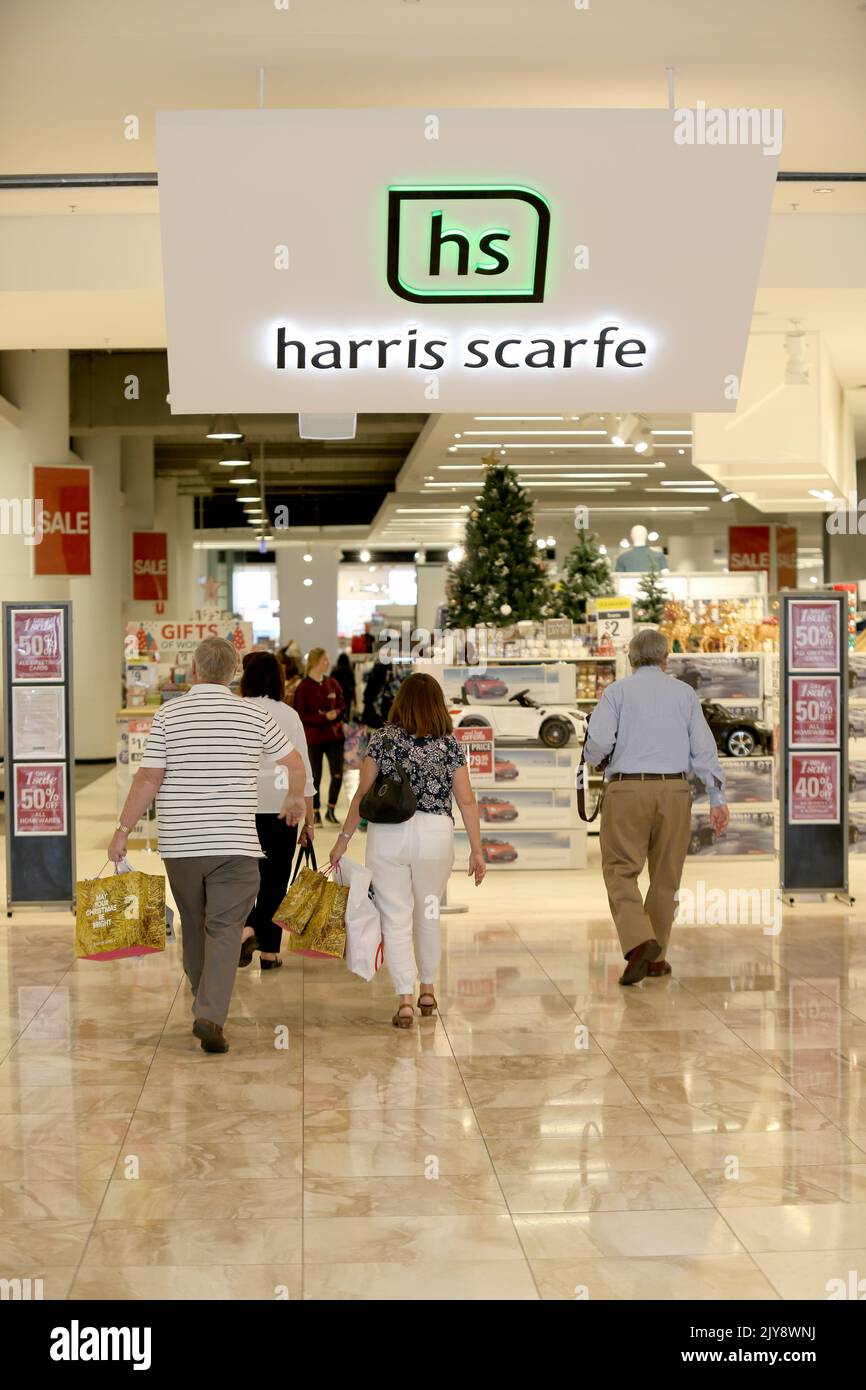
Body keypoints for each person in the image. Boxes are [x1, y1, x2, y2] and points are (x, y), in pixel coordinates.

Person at [107, 637, 306, 1054]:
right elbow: (293, 762)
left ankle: (203, 1000)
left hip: (181, 844)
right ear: (233, 672)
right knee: (225, 928)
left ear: (194, 671)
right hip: (234, 841)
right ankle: (209, 1015)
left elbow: (148, 779)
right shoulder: (252, 715)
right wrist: (292, 797)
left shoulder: (169, 714)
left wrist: (123, 830)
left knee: (194, 923)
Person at [330, 671, 486, 1028]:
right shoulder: (448, 744)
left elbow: (362, 795)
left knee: (395, 916)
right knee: (429, 911)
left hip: (389, 835)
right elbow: (466, 801)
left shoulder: (383, 739)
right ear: (437, 705)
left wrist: (343, 839)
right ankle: (428, 989)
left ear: (400, 702)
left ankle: (404, 998)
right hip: (435, 834)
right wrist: (476, 850)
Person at [584, 628, 729, 986]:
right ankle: (656, 957)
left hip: (627, 791)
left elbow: (598, 741)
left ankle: (639, 941)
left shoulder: (616, 692)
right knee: (666, 876)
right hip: (675, 790)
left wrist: (593, 758)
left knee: (620, 870)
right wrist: (716, 798)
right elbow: (704, 749)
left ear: (631, 658)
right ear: (666, 659)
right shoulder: (684, 694)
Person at [238, 651, 315, 971]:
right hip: (285, 806)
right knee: (275, 879)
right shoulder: (289, 715)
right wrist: (309, 821)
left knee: (242, 878)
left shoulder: (236, 712)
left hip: (240, 806)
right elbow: (305, 771)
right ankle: (269, 951)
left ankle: (245, 929)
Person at [294, 647, 345, 825]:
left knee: (337, 774)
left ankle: (331, 809)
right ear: (315, 662)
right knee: (315, 775)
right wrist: (322, 717)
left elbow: (342, 704)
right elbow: (301, 714)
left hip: (335, 737)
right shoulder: (303, 687)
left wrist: (336, 713)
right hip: (314, 738)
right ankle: (315, 812)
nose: (328, 663)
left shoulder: (332, 683)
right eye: (324, 660)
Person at [331, 651, 356, 721]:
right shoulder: (350, 672)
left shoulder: (335, 671)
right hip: (347, 697)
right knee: (346, 715)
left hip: (336, 697)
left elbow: (330, 685)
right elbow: (353, 687)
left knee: (337, 715)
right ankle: (345, 728)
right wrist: (355, 700)